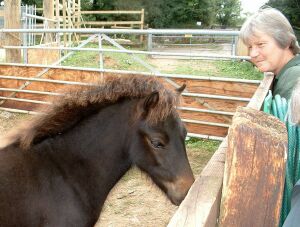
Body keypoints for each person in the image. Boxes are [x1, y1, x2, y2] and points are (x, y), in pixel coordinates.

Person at [239, 7, 300, 100]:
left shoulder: (294, 78)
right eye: (250, 47)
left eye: (261, 44)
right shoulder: (282, 74)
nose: (252, 54)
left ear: (286, 41)